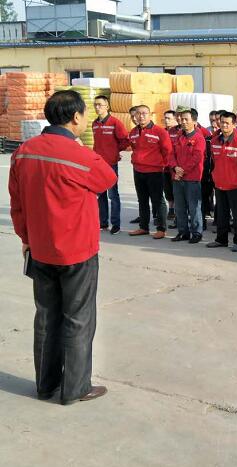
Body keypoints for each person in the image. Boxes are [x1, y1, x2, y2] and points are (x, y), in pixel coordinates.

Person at [9, 90, 116, 404]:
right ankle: (75, 388)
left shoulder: (23, 152)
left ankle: (46, 385)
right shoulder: (78, 154)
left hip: (39, 248)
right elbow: (107, 179)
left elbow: (17, 202)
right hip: (77, 250)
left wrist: (26, 238)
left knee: (46, 316)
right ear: (75, 117)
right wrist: (82, 149)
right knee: (78, 318)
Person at [207, 111, 237, 252]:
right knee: (222, 213)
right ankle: (221, 240)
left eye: (227, 123)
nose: (224, 125)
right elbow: (213, 161)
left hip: (235, 185)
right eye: (222, 122)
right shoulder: (214, 141)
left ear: (234, 124)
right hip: (220, 184)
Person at [128, 105, 172, 239]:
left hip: (155, 171)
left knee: (158, 200)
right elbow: (134, 148)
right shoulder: (133, 132)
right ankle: (143, 227)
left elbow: (168, 151)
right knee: (142, 200)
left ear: (150, 115)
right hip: (138, 170)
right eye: (138, 113)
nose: (141, 116)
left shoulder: (159, 132)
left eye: (144, 113)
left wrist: (162, 166)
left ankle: (161, 229)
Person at [92, 94, 129, 235]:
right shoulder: (95, 123)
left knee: (113, 195)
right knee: (100, 194)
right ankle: (103, 222)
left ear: (107, 106)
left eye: (100, 105)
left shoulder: (115, 123)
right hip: (98, 165)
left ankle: (116, 224)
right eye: (95, 105)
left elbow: (125, 140)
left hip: (111, 164)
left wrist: (115, 152)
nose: (97, 107)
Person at [169, 108, 206, 244]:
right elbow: (171, 154)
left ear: (194, 121)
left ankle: (196, 233)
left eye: (186, 119)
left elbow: (196, 158)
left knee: (194, 207)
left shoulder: (199, 138)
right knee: (179, 207)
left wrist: (182, 170)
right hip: (178, 177)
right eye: (182, 119)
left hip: (192, 178)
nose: (183, 122)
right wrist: (175, 168)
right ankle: (183, 232)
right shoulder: (179, 136)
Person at [163, 110, 180, 222]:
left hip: (176, 167)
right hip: (165, 167)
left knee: (177, 191)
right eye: (165, 118)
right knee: (168, 190)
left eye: (169, 118)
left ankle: (178, 213)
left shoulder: (179, 132)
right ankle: (171, 210)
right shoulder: (162, 131)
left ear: (175, 119)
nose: (166, 120)